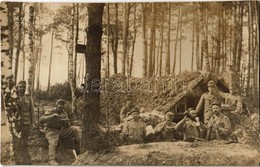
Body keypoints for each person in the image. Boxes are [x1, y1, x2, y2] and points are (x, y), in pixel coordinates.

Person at [40, 99, 80, 165]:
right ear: (56, 106)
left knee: (74, 129)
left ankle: (79, 150)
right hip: (50, 130)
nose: (61, 108)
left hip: (60, 130)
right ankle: (51, 160)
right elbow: (41, 120)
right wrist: (51, 117)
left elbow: (67, 125)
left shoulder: (63, 113)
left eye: (63, 107)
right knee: (53, 142)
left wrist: (67, 122)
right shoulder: (51, 111)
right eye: (60, 106)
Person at [13, 80, 36, 164]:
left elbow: (32, 112)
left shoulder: (28, 98)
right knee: (16, 142)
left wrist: (33, 123)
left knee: (25, 141)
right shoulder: (13, 97)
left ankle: (26, 160)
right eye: (20, 87)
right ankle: (17, 160)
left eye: (23, 87)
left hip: (26, 123)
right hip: (16, 123)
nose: (22, 89)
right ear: (17, 87)